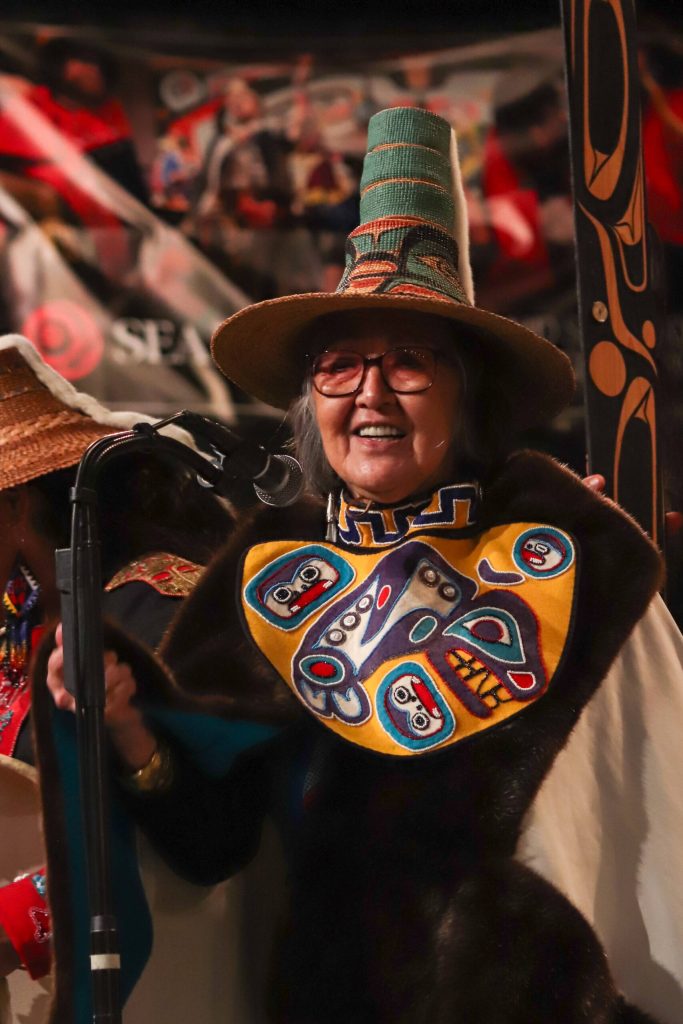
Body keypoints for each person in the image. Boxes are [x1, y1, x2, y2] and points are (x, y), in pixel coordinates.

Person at [46, 107, 683, 1023]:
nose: (371, 392)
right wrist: (129, 728)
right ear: (311, 402)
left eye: (410, 362)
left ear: (467, 393)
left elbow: (647, 792)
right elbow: (213, 846)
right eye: (340, 366)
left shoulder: (572, 547)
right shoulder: (261, 573)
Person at [0, 334, 234, 1023]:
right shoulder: (30, 615)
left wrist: (16, 923)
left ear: (15, 508)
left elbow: (176, 826)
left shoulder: (152, 606)